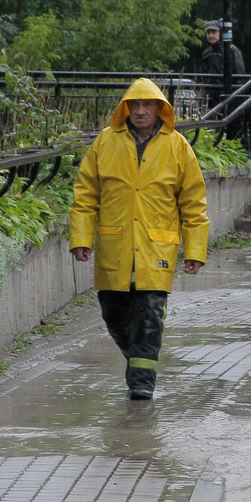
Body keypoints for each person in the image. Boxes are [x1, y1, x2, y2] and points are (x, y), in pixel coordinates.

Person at [69, 78, 210, 401]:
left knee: (149, 316)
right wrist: (81, 238)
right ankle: (138, 362)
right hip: (114, 247)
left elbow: (193, 203)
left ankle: (142, 383)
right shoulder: (106, 143)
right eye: (136, 105)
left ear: (160, 109)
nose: (141, 111)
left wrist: (195, 251)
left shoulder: (177, 146)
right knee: (114, 315)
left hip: (156, 247)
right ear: (126, 109)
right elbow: (85, 195)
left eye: (148, 105)